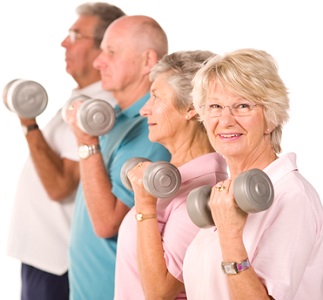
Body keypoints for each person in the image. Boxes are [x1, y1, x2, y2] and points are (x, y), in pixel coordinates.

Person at [182, 48, 323, 299]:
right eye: (215, 106)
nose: (226, 120)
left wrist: (229, 236)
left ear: (270, 118)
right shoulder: (223, 197)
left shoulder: (292, 197)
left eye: (242, 106)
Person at [6, 3, 125, 300]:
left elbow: (59, 186)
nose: (63, 42)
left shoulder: (99, 110)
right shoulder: (81, 99)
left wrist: (28, 122)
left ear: (105, 48)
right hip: (41, 258)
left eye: (75, 35)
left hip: (58, 264)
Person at [66, 15, 171, 300]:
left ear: (148, 61)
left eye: (111, 52)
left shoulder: (153, 130)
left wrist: (86, 140)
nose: (99, 62)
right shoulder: (116, 120)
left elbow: (106, 223)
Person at [114, 50, 228, 299]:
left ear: (191, 108)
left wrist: (144, 205)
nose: (144, 110)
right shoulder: (171, 181)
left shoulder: (203, 194)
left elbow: (160, 291)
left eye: (155, 97)